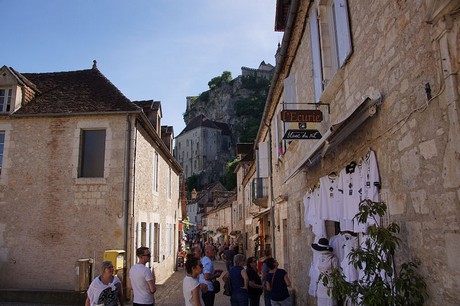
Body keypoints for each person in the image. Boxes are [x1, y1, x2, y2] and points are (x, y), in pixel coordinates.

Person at [312, 238, 338, 306]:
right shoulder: (320, 258)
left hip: (330, 284)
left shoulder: (333, 258)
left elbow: (336, 272)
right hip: (321, 284)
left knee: (329, 302)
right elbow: (317, 270)